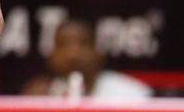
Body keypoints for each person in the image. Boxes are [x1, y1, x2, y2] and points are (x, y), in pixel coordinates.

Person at [23, 18, 152, 100]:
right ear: (50, 57)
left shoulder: (131, 94)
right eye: (63, 45)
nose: (72, 54)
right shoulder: (38, 97)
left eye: (83, 43)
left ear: (99, 53)